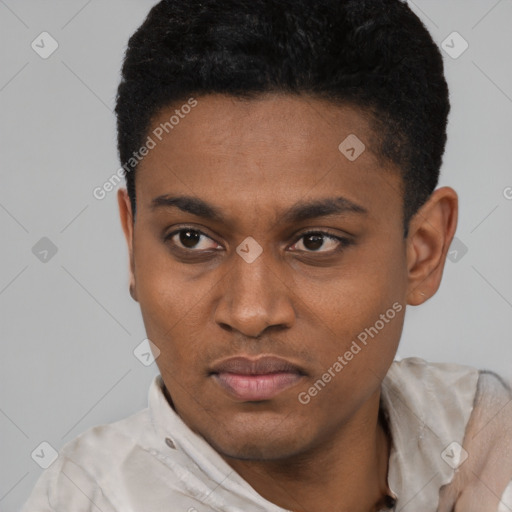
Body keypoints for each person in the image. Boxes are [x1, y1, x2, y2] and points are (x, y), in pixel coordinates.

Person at [22, 0, 512, 511]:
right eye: (191, 239)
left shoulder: (486, 438)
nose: (251, 313)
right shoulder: (86, 500)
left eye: (316, 241)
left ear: (423, 252)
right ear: (133, 244)